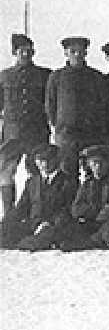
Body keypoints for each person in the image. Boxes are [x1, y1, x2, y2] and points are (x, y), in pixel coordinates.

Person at [0, 33, 52, 216]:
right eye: (22, 51)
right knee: (6, 173)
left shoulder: (44, 75)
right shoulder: (4, 77)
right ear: (15, 52)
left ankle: (33, 213)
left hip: (36, 133)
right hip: (12, 134)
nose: (26, 55)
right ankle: (8, 214)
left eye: (30, 52)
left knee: (36, 172)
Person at [44, 36, 105, 177]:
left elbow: (103, 105)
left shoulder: (96, 77)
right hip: (67, 135)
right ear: (66, 53)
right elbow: (50, 105)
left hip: (91, 133)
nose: (77, 55)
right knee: (67, 172)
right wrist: (59, 126)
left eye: (80, 51)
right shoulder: (57, 77)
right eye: (73, 51)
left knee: (92, 172)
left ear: (85, 53)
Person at [0, 143, 77, 250]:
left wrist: (49, 223)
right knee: (4, 232)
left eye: (48, 160)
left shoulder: (67, 182)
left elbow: (68, 209)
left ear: (56, 160)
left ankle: (28, 242)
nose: (44, 164)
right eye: (40, 160)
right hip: (33, 224)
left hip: (53, 225)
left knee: (37, 241)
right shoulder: (32, 182)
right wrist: (7, 222)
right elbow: (21, 208)